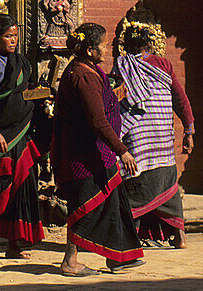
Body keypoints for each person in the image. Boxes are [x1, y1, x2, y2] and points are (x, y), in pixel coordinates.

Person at [52, 22, 144, 276]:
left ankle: (118, 257)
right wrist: (122, 149)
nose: (106, 49)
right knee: (85, 208)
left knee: (112, 203)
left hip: (97, 154)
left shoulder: (88, 71)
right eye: (103, 45)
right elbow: (97, 120)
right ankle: (70, 261)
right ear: (91, 50)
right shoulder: (82, 76)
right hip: (84, 156)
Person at [0, 14, 47, 260]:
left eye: (15, 36)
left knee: (22, 186)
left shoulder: (21, 62)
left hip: (21, 134)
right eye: (7, 36)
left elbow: (23, 93)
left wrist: (42, 94)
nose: (13, 41)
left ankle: (15, 243)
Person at [113, 24, 194, 248]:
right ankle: (179, 236)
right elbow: (181, 99)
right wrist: (188, 130)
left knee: (134, 177)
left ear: (124, 46)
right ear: (149, 44)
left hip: (139, 132)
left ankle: (131, 234)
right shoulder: (164, 64)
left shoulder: (122, 65)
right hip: (162, 132)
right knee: (168, 178)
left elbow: (117, 98)